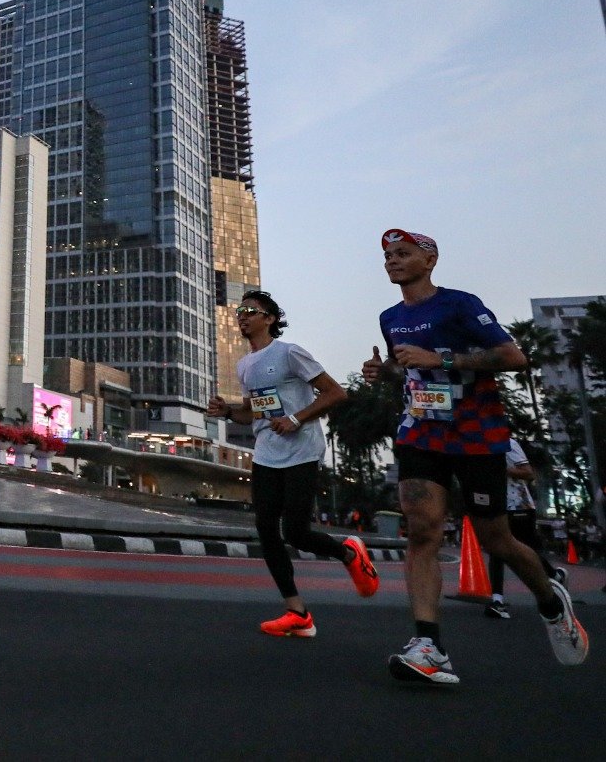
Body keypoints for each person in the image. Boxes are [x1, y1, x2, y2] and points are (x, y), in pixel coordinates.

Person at [362, 228, 587, 684]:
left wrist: (441, 359)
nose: (392, 261)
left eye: (403, 253)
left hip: (476, 433)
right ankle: (429, 646)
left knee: (495, 539)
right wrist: (383, 371)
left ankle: (549, 599)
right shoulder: (390, 316)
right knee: (422, 531)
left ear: (430, 260)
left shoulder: (460, 303)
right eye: (387, 256)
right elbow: (408, 371)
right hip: (420, 432)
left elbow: (513, 356)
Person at [208, 290, 377, 638]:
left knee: (296, 532)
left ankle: (347, 552)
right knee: (267, 531)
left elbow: (335, 393)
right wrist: (227, 411)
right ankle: (297, 611)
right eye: (239, 311)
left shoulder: (290, 353)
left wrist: (296, 419)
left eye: (250, 311)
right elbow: (255, 412)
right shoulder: (244, 364)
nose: (242, 316)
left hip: (302, 450)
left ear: (269, 318)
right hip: (267, 453)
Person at [485, 437, 565, 619]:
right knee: (496, 549)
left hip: (519, 506)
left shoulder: (508, 443)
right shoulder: (478, 447)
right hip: (497, 506)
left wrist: (502, 470)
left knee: (527, 550)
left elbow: (528, 473)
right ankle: (497, 601)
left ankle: (554, 575)